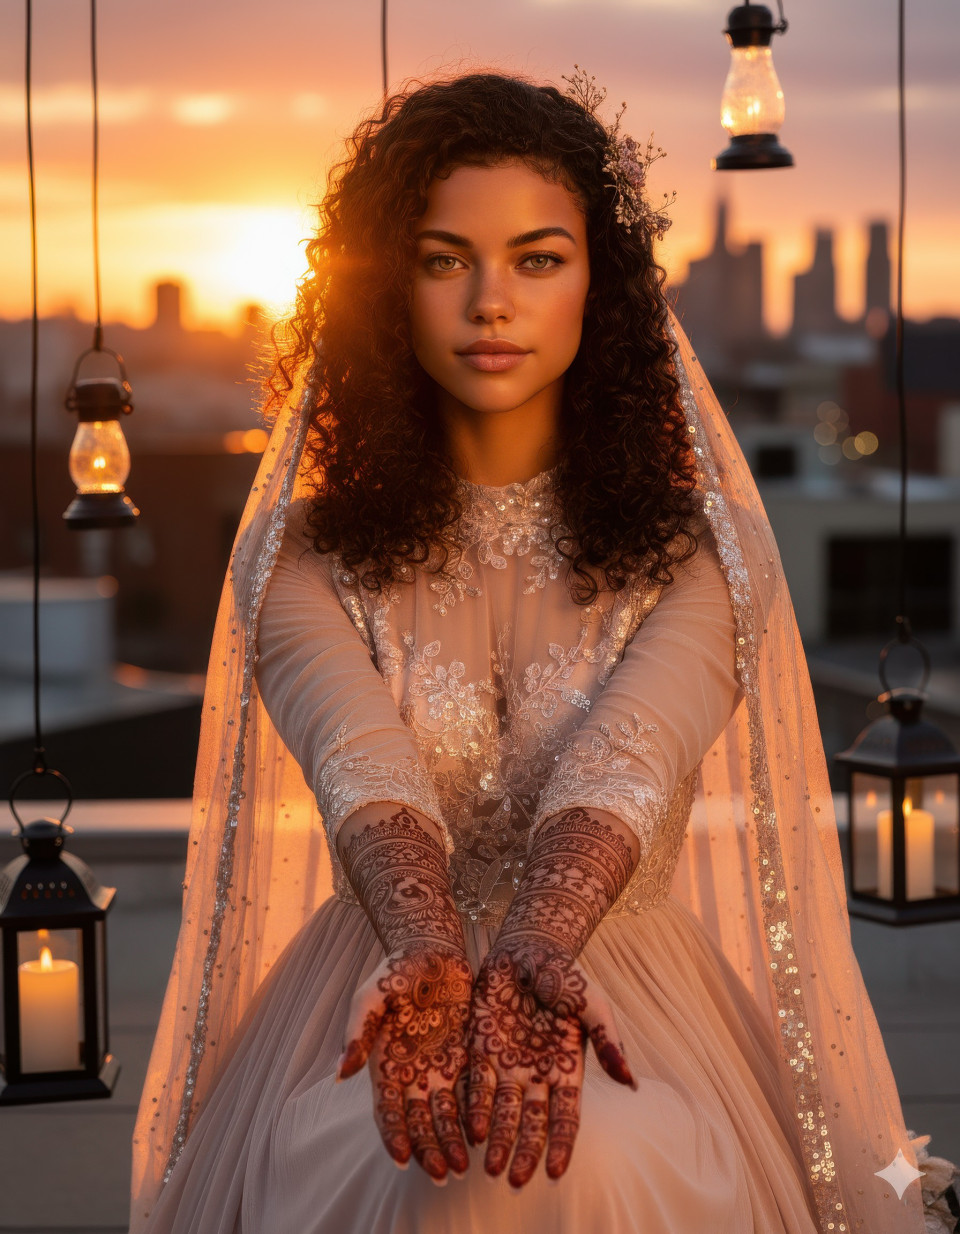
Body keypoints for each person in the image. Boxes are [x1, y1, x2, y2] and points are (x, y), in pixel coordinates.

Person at [129, 70, 931, 1233]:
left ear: (601, 288)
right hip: (380, 989)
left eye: (538, 258)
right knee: (424, 1168)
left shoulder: (708, 550)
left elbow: (630, 761)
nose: (490, 301)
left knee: (579, 1162)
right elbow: (363, 767)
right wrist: (428, 950)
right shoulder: (295, 554)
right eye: (444, 257)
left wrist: (540, 948)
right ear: (384, 289)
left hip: (626, 986)